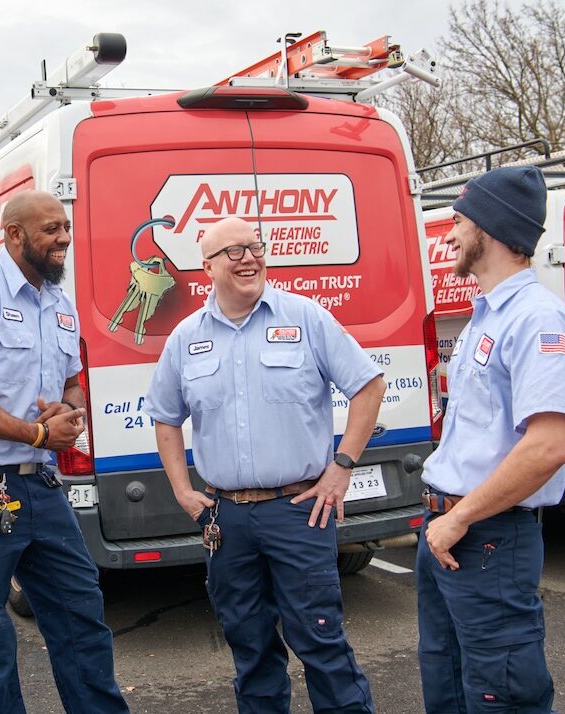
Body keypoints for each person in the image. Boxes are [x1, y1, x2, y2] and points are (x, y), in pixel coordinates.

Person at [145, 216, 386, 714]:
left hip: (299, 510)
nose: (249, 257)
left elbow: (368, 386)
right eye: (232, 252)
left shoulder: (305, 318)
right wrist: (182, 490)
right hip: (226, 518)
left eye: (254, 246)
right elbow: (166, 418)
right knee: (250, 648)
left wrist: (341, 467)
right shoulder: (186, 338)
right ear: (206, 267)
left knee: (320, 642)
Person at [0, 190, 129, 714]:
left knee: (80, 610)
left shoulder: (60, 305)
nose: (64, 238)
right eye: (50, 229)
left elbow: (71, 388)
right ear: (14, 235)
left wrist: (66, 414)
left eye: (65, 227)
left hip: (40, 484)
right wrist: (34, 434)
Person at [416, 166, 565, 713]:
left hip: (486, 539)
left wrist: (460, 518)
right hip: (450, 532)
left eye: (459, 221)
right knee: (450, 687)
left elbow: (549, 447)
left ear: (490, 229)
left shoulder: (538, 320)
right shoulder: (487, 318)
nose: (450, 234)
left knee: (502, 696)